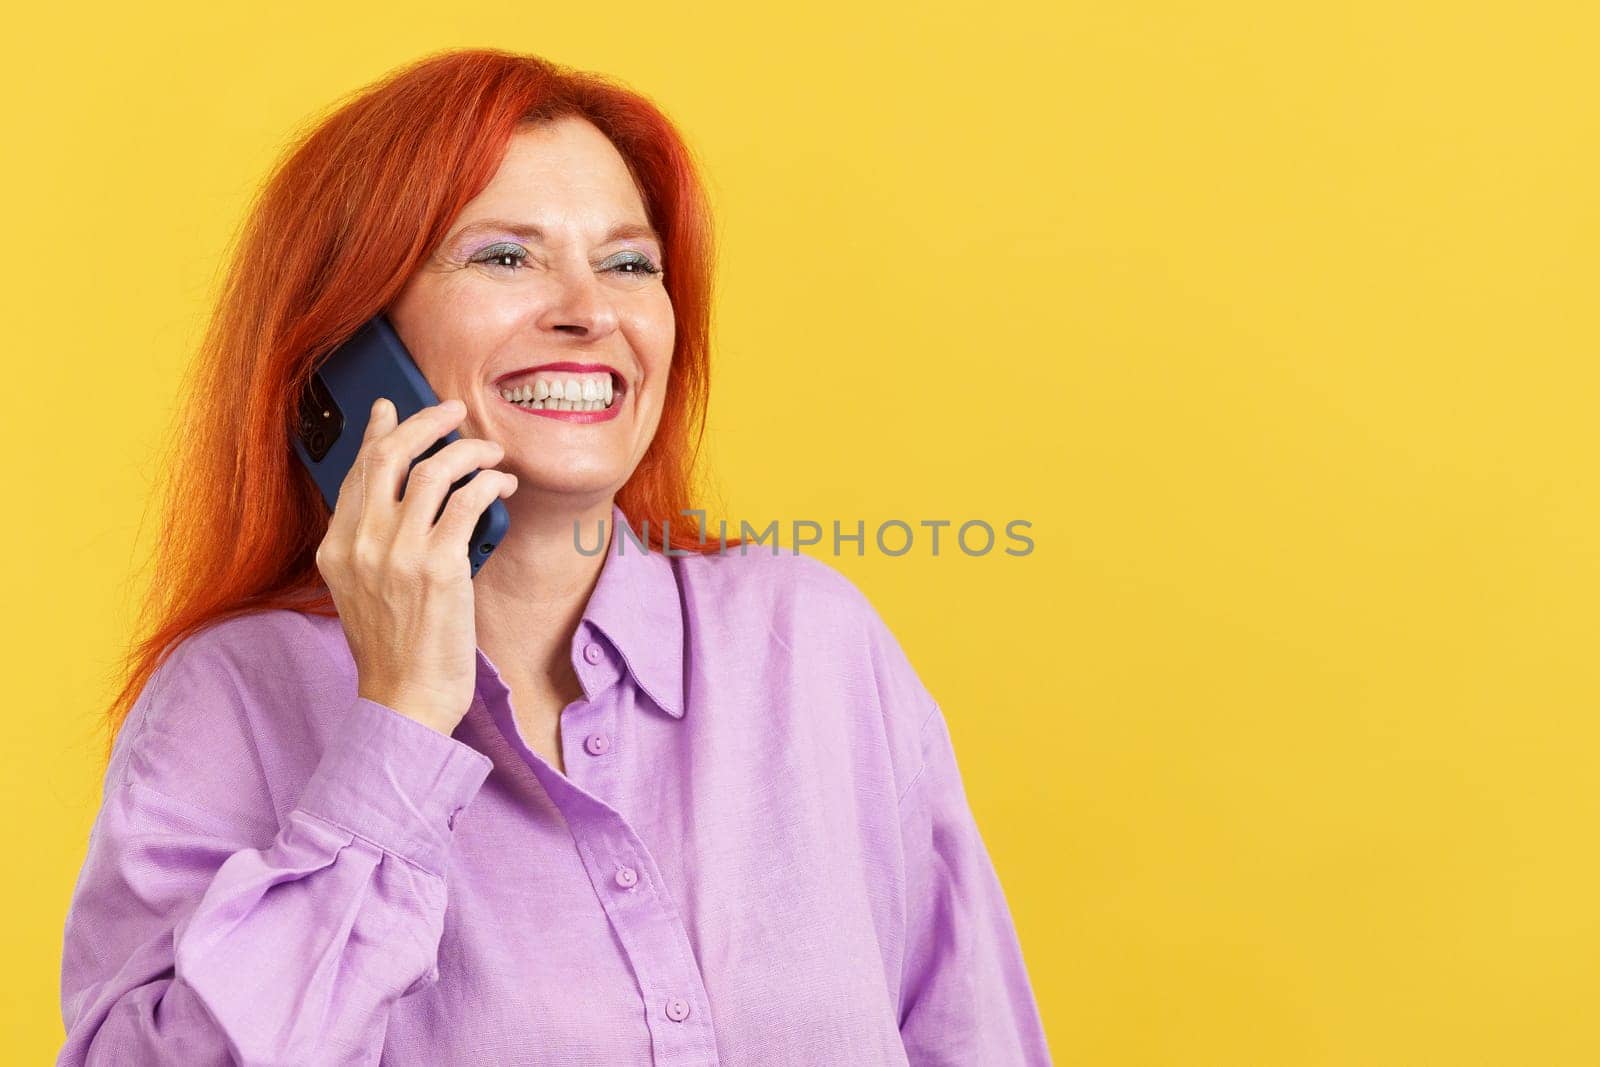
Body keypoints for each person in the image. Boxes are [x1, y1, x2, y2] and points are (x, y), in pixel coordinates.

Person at [57, 47, 1052, 1065]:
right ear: (350, 340)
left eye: (629, 263)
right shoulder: (234, 696)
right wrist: (396, 724)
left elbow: (974, 1038)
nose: (591, 311)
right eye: (504, 256)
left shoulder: (812, 642)